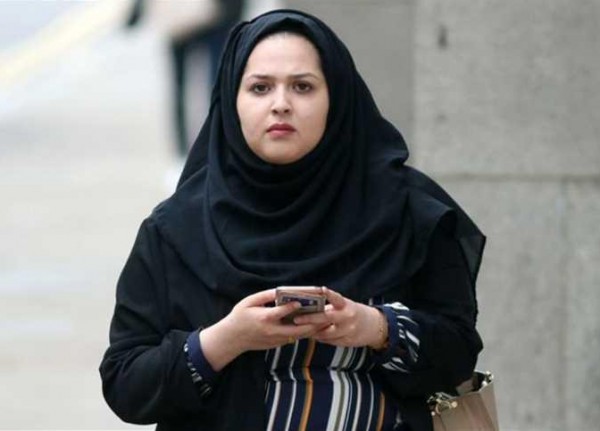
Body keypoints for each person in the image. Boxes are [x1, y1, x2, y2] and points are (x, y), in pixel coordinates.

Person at [100, 9, 486, 431]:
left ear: (336, 97)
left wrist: (376, 328)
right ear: (232, 100)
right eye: (260, 87)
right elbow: (126, 384)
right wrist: (227, 339)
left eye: (303, 86)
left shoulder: (406, 210)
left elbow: (458, 351)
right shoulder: (178, 229)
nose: (281, 104)